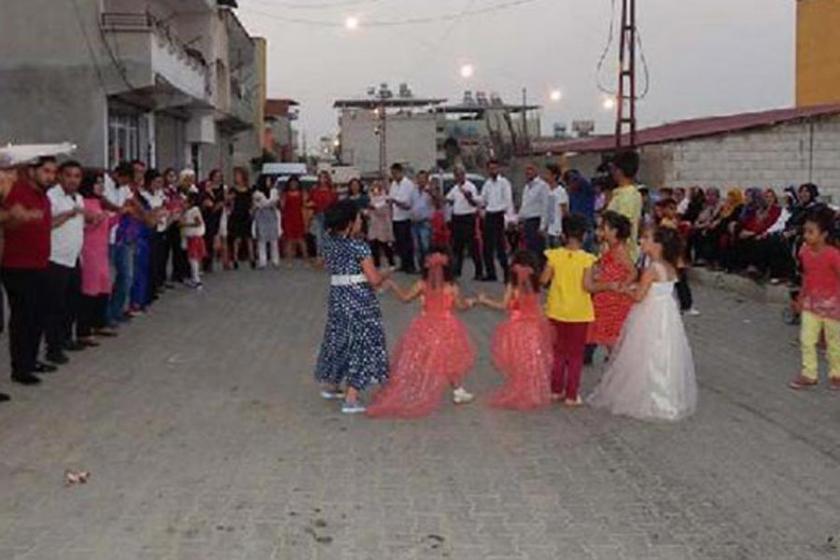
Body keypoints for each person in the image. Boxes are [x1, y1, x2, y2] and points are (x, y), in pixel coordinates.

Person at [588, 226, 698, 421]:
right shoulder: (670, 267)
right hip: (666, 314)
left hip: (649, 314)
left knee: (643, 352)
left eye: (646, 238)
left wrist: (624, 290)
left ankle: (646, 395)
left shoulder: (652, 269)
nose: (642, 241)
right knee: (663, 352)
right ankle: (664, 393)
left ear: (658, 245)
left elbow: (639, 296)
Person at [367, 250, 476, 418]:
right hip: (447, 327)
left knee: (419, 359)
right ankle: (457, 390)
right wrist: (471, 302)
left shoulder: (422, 284)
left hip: (425, 326)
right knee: (449, 359)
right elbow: (460, 306)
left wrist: (393, 285)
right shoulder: (451, 287)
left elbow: (405, 298)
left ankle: (416, 387)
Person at [315, 200, 391, 414]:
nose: (361, 222)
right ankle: (352, 397)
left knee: (338, 337)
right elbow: (374, 279)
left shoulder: (329, 242)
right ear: (349, 223)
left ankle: (332, 384)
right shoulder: (359, 246)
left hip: (338, 295)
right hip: (358, 298)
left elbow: (323, 264)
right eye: (358, 219)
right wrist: (386, 273)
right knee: (364, 341)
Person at [1, 155, 56, 387]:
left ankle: (31, 361)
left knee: (37, 315)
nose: (50, 177)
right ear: (32, 171)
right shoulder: (14, 191)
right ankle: (20, 368)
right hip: (17, 266)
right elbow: (7, 223)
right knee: (23, 318)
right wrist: (16, 217)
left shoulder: (44, 196)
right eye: (46, 171)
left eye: (53, 172)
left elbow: (44, 224)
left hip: (40, 264)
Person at [477, 251, 553, 411]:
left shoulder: (513, 287)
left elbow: (503, 305)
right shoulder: (535, 286)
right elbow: (539, 310)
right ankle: (532, 392)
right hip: (532, 329)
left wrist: (484, 300)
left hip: (516, 328)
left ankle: (519, 390)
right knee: (532, 360)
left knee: (517, 361)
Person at [540, 214, 598, 407]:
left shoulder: (553, 255)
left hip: (556, 310)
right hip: (579, 313)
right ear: (584, 235)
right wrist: (605, 285)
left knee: (558, 352)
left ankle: (555, 389)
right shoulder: (588, 259)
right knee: (575, 355)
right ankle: (572, 394)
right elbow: (588, 286)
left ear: (563, 235)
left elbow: (544, 280)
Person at [788, 207, 840, 390]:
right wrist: (801, 298)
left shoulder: (833, 255)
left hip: (834, 307)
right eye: (805, 231)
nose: (806, 236)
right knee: (807, 339)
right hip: (811, 305)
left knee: (834, 343)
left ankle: (837, 373)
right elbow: (807, 277)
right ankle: (809, 373)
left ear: (824, 234)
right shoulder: (804, 253)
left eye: (811, 232)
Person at [44, 160, 88, 364]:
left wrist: (89, 219)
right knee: (54, 306)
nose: (73, 180)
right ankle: (52, 348)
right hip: (55, 259)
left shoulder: (78, 197)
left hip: (73, 258)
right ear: (60, 176)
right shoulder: (51, 197)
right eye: (69, 175)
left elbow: (78, 224)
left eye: (77, 176)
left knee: (72, 302)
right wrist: (69, 214)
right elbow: (47, 224)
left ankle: (65, 338)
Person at [587, 211, 636, 354]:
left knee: (613, 340)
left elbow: (633, 272)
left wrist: (622, 286)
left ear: (614, 231)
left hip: (614, 302)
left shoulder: (620, 249)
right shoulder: (609, 247)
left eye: (603, 228)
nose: (599, 232)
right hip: (606, 298)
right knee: (610, 340)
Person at [77, 171, 116, 345]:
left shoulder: (99, 202)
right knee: (89, 289)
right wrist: (97, 221)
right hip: (89, 251)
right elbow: (83, 227)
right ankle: (84, 330)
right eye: (97, 183)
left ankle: (99, 322)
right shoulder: (83, 202)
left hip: (101, 250)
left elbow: (106, 225)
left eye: (102, 182)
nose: (100, 186)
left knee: (103, 286)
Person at [104, 162, 137, 326]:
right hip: (104, 238)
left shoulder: (124, 188)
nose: (125, 184)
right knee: (107, 279)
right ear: (117, 174)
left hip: (121, 237)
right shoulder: (103, 183)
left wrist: (148, 216)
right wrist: (119, 209)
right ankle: (105, 316)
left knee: (126, 276)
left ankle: (117, 311)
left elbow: (131, 202)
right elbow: (103, 203)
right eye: (124, 180)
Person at [446, 165, 483, 279]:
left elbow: (474, 203)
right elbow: (449, 199)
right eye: (456, 175)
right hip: (457, 218)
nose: (458, 177)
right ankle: (457, 270)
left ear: (464, 175)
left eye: (460, 175)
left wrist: (468, 197)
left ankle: (478, 271)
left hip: (468, 218)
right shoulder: (455, 188)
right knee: (457, 246)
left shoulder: (470, 187)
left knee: (472, 246)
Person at [481, 159, 514, 282]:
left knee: (500, 246)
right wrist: (472, 199)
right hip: (489, 214)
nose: (492, 170)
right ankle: (491, 273)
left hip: (500, 215)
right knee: (487, 246)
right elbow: (483, 200)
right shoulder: (487, 184)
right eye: (490, 168)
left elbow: (508, 201)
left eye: (495, 168)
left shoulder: (504, 183)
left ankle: (507, 273)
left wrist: (509, 218)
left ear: (499, 169)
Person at [606, 150, 643, 260]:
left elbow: (622, 230)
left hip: (620, 257)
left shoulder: (626, 197)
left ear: (619, 171)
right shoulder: (630, 193)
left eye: (613, 168)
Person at [387, 163, 417, 273]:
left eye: (395, 173)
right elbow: (390, 198)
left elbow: (408, 204)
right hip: (396, 217)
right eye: (392, 174)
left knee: (407, 242)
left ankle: (410, 265)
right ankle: (403, 264)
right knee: (399, 243)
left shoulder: (408, 184)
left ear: (400, 172)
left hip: (405, 217)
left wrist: (395, 201)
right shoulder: (394, 184)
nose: (394, 176)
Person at [519, 163, 550, 257]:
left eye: (531, 169)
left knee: (537, 250)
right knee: (529, 251)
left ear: (537, 170)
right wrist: (519, 219)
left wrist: (542, 226)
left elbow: (545, 206)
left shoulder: (542, 186)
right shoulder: (526, 187)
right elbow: (524, 204)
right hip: (527, 222)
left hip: (536, 221)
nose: (528, 172)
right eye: (526, 169)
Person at [308, 170, 338, 266]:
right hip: (318, 215)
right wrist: (312, 205)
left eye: (324, 177)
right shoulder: (314, 190)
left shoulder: (332, 191)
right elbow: (308, 202)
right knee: (319, 237)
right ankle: (320, 257)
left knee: (328, 237)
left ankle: (328, 258)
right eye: (320, 177)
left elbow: (335, 204)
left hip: (329, 216)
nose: (322, 179)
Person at [199, 171, 225, 272]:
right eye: (216, 176)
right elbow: (203, 201)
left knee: (212, 238)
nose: (217, 178)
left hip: (216, 216)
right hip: (207, 215)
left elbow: (221, 201)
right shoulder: (205, 188)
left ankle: (209, 262)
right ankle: (205, 262)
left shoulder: (221, 188)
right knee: (206, 238)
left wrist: (220, 204)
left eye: (219, 176)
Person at [367, 180, 397, 269]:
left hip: (384, 224)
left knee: (385, 244)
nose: (375, 189)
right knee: (373, 244)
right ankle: (376, 264)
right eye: (374, 187)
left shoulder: (386, 198)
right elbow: (369, 211)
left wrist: (375, 208)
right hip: (373, 224)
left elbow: (385, 210)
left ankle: (391, 262)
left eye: (377, 187)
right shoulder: (370, 197)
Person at [228, 167, 254, 269]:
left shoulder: (249, 189)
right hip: (236, 214)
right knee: (237, 238)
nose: (237, 177)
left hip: (246, 214)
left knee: (248, 237)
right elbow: (228, 201)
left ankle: (252, 258)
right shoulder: (233, 189)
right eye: (236, 175)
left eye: (238, 175)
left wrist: (252, 210)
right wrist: (230, 198)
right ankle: (235, 259)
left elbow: (251, 201)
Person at [252, 182, 281, 269]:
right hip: (261, 216)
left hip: (272, 216)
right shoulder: (257, 193)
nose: (268, 182)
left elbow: (275, 202)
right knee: (261, 239)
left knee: (274, 239)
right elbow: (258, 204)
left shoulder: (274, 191)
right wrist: (268, 203)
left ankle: (275, 260)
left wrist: (267, 203)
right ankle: (262, 261)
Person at [180, 192, 206, 289]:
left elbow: (198, 223)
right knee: (193, 258)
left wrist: (185, 225)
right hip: (192, 237)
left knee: (193, 259)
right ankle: (195, 277)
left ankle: (196, 279)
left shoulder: (194, 210)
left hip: (194, 237)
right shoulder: (190, 211)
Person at [280, 175, 309, 263]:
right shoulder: (285, 194)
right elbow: (282, 206)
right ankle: (289, 260)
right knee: (289, 239)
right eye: (291, 183)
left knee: (301, 239)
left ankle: (306, 259)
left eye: (295, 183)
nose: (293, 185)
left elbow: (305, 205)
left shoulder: (302, 193)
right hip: (288, 218)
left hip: (299, 218)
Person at [410, 170, 434, 270]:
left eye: (423, 179)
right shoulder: (413, 191)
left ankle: (428, 264)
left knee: (425, 245)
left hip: (425, 222)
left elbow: (438, 202)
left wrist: (431, 193)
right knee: (417, 247)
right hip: (414, 222)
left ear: (427, 180)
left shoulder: (430, 191)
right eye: (419, 178)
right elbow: (410, 204)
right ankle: (421, 266)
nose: (420, 181)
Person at [546, 163, 569, 249]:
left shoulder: (561, 191)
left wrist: (563, 230)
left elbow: (565, 211)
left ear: (554, 176)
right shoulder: (546, 191)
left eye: (548, 174)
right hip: (548, 230)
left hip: (557, 230)